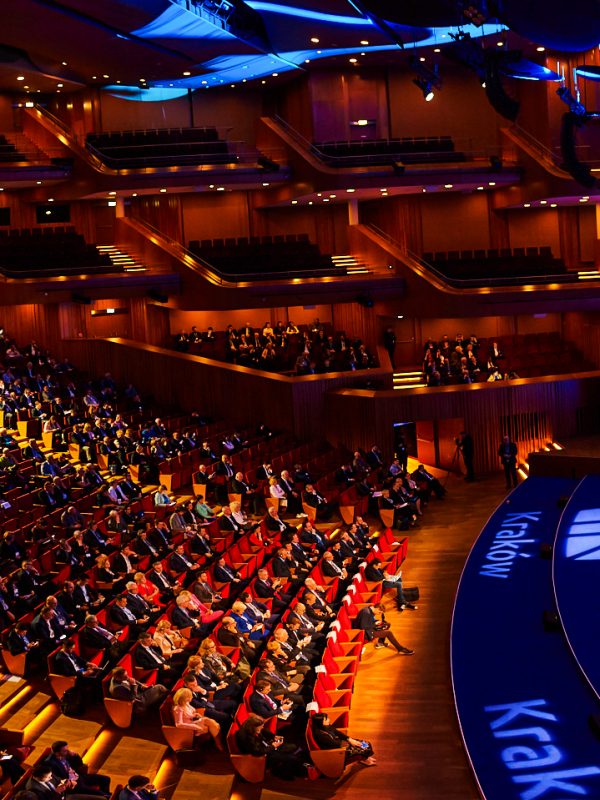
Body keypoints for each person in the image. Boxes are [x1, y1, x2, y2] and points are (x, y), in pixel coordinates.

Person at [235, 714, 313, 780]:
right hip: (262, 756)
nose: (262, 728)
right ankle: (282, 772)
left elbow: (263, 731)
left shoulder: (252, 727)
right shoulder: (247, 738)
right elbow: (258, 752)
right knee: (291, 758)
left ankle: (294, 767)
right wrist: (273, 746)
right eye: (260, 727)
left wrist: (273, 737)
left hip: (267, 746)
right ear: (254, 727)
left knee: (293, 747)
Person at [43, 741, 110, 797]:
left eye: (67, 749)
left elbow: (79, 764)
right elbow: (55, 779)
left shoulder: (66, 755)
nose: (67, 751)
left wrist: (75, 755)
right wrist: (69, 782)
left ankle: (107, 796)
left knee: (106, 779)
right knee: (100, 793)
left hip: (79, 777)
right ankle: (105, 796)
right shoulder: (50, 763)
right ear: (57, 753)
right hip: (73, 784)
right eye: (65, 750)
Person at [310, 712, 376, 766]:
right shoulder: (320, 735)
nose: (328, 720)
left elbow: (337, 732)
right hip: (336, 751)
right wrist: (350, 744)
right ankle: (365, 759)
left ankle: (365, 758)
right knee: (361, 746)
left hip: (339, 743)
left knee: (365, 743)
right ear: (320, 723)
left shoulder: (325, 726)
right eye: (326, 719)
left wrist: (349, 739)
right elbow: (335, 744)